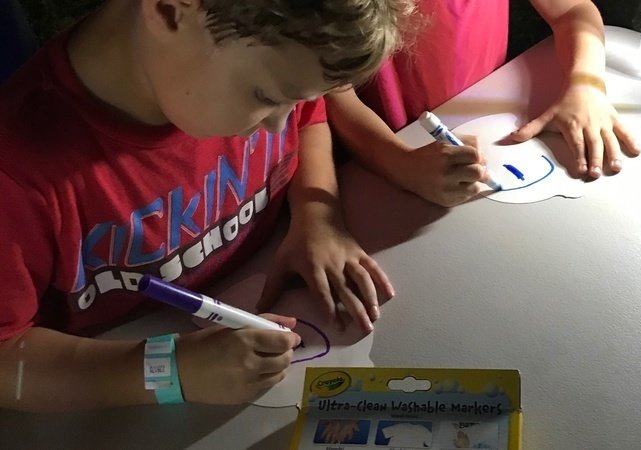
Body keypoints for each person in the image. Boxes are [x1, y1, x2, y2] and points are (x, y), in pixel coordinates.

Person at [0, 0, 412, 411]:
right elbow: (7, 359)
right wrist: (166, 370)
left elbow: (308, 115)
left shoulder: (244, 64)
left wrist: (317, 215)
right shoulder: (16, 175)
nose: (279, 124)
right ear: (168, 10)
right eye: (267, 96)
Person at [326, 0, 641, 207]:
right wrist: (400, 164)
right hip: (387, 153)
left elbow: (573, 11)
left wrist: (586, 85)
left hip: (489, 125)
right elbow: (333, 94)